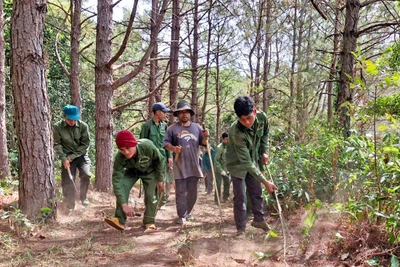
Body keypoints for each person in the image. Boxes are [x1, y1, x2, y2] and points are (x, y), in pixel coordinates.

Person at [226, 96, 277, 236]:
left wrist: (264, 151)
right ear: (237, 118)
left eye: (249, 118)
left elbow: (265, 135)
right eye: (242, 120)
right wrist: (265, 181)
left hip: (253, 160)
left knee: (256, 191)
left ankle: (259, 220)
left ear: (254, 112)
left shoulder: (262, 118)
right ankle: (240, 230)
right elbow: (246, 162)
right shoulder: (236, 132)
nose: (247, 122)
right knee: (240, 196)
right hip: (237, 164)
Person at [104, 130, 165, 231]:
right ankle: (119, 219)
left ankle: (149, 222)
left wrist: (160, 179)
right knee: (123, 186)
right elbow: (117, 181)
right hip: (132, 171)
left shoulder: (147, 146)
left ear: (134, 144)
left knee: (151, 195)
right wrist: (124, 205)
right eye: (122, 150)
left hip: (150, 171)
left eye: (128, 148)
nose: (126, 152)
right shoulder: (120, 158)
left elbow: (160, 160)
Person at [163, 100, 210, 224]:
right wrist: (174, 149)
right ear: (177, 114)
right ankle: (182, 215)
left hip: (194, 165)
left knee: (193, 193)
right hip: (180, 165)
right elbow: (165, 143)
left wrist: (205, 136)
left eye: (187, 112)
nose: (184, 114)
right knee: (180, 192)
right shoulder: (172, 129)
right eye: (181, 112)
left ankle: (187, 212)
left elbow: (204, 144)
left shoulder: (197, 127)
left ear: (190, 113)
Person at [54, 105, 91, 210]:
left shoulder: (83, 126)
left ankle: (83, 197)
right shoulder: (57, 127)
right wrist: (64, 158)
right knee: (68, 180)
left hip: (81, 155)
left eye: (75, 119)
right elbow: (57, 144)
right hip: (66, 157)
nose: (72, 122)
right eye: (70, 119)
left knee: (86, 174)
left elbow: (85, 144)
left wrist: (73, 156)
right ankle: (70, 203)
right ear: (64, 117)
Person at [139, 102, 173, 209]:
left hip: (162, 159)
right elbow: (142, 143)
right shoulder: (147, 125)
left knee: (162, 180)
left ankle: (160, 204)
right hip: (150, 159)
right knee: (150, 181)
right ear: (157, 112)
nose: (165, 114)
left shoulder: (165, 126)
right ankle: (150, 203)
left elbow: (167, 143)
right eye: (164, 112)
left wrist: (169, 156)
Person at [214, 131, 230, 203]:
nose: (228, 141)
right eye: (226, 139)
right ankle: (217, 200)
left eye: (229, 139)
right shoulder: (219, 148)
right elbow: (216, 161)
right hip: (218, 170)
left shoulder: (231, 147)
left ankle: (225, 198)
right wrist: (221, 170)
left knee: (227, 184)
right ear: (223, 139)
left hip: (227, 169)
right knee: (218, 185)